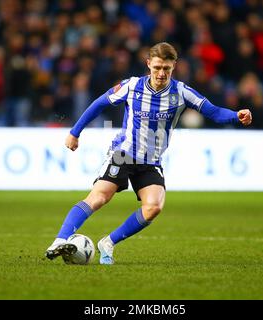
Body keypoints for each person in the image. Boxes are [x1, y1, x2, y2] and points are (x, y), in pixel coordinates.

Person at [45, 42, 252, 264]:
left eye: (166, 69)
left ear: (174, 67)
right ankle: (59, 240)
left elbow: (213, 112)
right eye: (157, 68)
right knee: (99, 197)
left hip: (151, 161)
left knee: (153, 207)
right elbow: (99, 103)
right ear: (148, 65)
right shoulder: (132, 86)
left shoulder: (181, 92)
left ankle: (108, 242)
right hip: (123, 154)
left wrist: (235, 116)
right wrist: (75, 132)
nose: (161, 73)